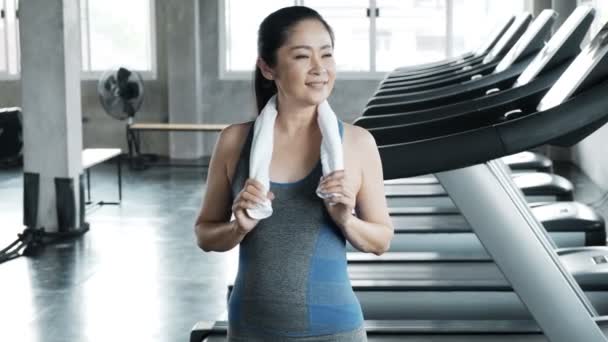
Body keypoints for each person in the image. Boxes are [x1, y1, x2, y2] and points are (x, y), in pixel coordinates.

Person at [194, 6, 393, 341]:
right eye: (302, 56)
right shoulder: (234, 141)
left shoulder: (358, 144)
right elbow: (204, 234)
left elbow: (381, 240)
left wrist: (346, 219)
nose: (320, 68)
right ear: (268, 68)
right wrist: (237, 228)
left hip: (336, 331)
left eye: (327, 54)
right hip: (250, 329)